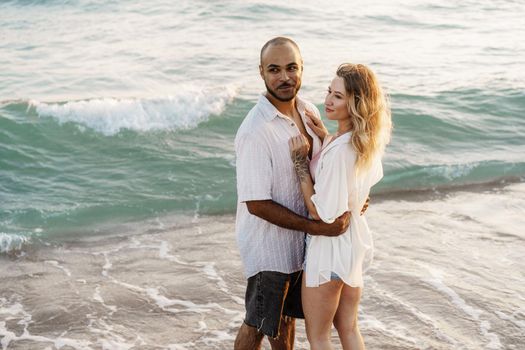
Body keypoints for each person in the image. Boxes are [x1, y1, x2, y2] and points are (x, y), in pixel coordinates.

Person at [233, 37, 352, 350]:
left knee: (284, 320)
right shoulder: (255, 130)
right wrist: (317, 227)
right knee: (257, 323)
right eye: (274, 69)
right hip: (269, 249)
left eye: (291, 68)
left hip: (302, 246)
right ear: (261, 72)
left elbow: (324, 168)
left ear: (302, 69)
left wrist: (353, 197)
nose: (284, 77)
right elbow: (256, 204)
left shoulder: (308, 110)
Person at [289, 63, 392, 349]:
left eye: (338, 96)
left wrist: (300, 163)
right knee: (348, 328)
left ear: (356, 103)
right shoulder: (365, 142)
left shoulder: (340, 152)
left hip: (329, 249)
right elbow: (349, 183)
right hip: (352, 245)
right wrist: (323, 135)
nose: (327, 101)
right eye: (329, 92)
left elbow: (320, 212)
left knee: (319, 336)